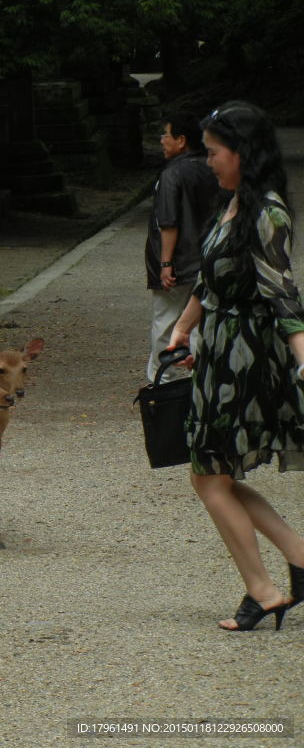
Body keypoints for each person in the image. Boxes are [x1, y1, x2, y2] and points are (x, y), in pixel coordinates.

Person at [168, 100, 304, 631]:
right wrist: (183, 326)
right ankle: (295, 559)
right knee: (215, 476)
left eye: (215, 152)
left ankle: (264, 590)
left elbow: (283, 295)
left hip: (244, 359)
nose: (208, 162)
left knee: (209, 477)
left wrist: (301, 359)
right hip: (220, 351)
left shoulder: (267, 211)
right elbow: (212, 279)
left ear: (242, 153)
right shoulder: (234, 205)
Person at [145, 112, 221, 384]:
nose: (162, 141)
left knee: (166, 323)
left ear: (181, 140)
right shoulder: (211, 167)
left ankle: (166, 383)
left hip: (178, 263)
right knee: (202, 322)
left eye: (165, 135)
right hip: (208, 258)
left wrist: (165, 263)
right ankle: (201, 380)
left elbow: (168, 222)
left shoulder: (171, 174)